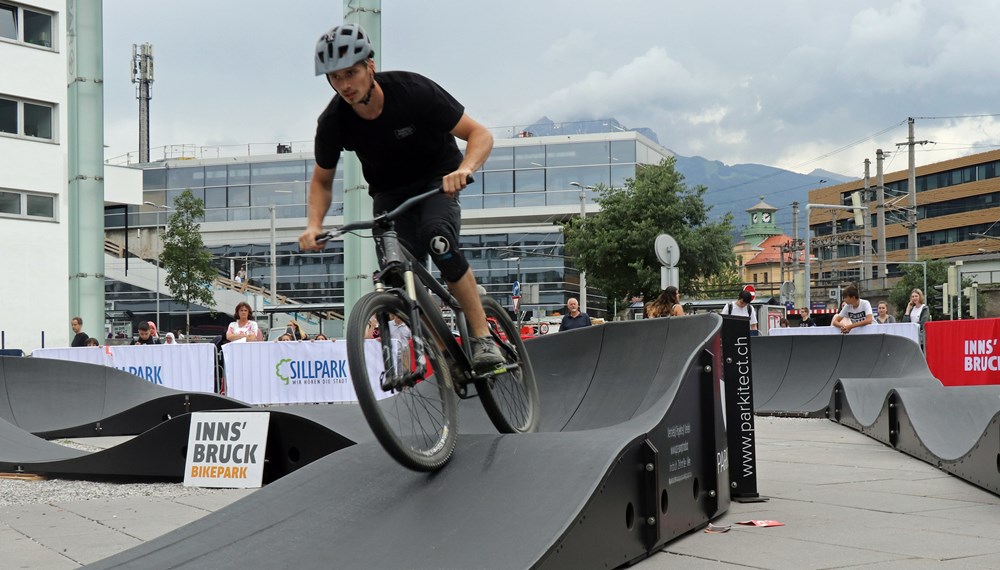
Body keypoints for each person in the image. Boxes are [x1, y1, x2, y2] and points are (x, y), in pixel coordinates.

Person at [298, 23, 503, 373]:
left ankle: (483, 338)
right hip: (390, 195)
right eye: (335, 77)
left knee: (439, 240)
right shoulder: (333, 121)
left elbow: (479, 133)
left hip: (438, 181)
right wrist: (313, 224)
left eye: (351, 73)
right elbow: (321, 180)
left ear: (370, 67)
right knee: (397, 275)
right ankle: (445, 357)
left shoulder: (413, 90)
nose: (345, 85)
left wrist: (465, 168)